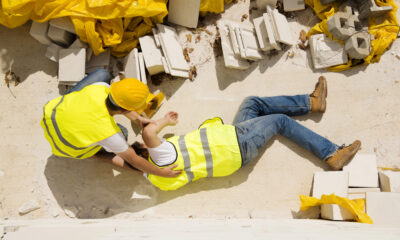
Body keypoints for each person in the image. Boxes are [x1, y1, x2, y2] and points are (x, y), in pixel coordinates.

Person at [131, 76, 361, 191]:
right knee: (280, 121)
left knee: (252, 103)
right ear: (145, 152)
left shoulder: (156, 178)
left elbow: (129, 160)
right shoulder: (162, 158)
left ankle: (312, 103)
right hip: (236, 144)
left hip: (233, 145)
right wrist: (163, 121)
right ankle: (331, 154)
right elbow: (149, 133)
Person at [40, 68, 181, 178]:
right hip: (66, 146)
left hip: (52, 114)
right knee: (123, 135)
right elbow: (133, 160)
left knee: (102, 74)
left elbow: (119, 104)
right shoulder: (109, 134)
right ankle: (92, 154)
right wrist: (162, 173)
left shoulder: (100, 88)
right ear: (126, 109)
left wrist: (138, 119)